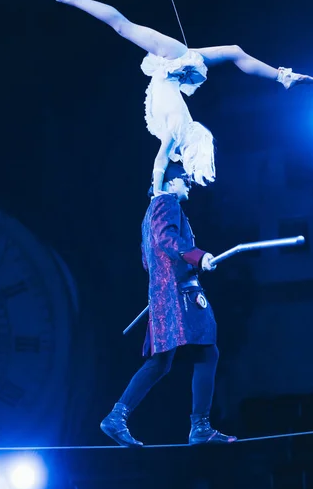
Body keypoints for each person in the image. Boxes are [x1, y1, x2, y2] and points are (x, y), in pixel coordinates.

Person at [42, 0, 313, 194]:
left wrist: (158, 189)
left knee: (124, 26)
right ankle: (283, 77)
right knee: (124, 27)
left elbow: (161, 159)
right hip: (174, 64)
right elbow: (162, 157)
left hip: (173, 64)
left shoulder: (177, 131)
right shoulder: (177, 130)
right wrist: (158, 185)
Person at [100, 161, 236, 445]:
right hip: (180, 295)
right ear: (171, 183)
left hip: (165, 295)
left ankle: (116, 417)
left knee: (161, 361)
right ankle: (200, 426)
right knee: (207, 353)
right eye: (185, 180)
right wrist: (198, 257)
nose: (188, 185)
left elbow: (148, 259)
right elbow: (167, 239)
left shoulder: (149, 214)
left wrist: (164, 285)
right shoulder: (167, 203)